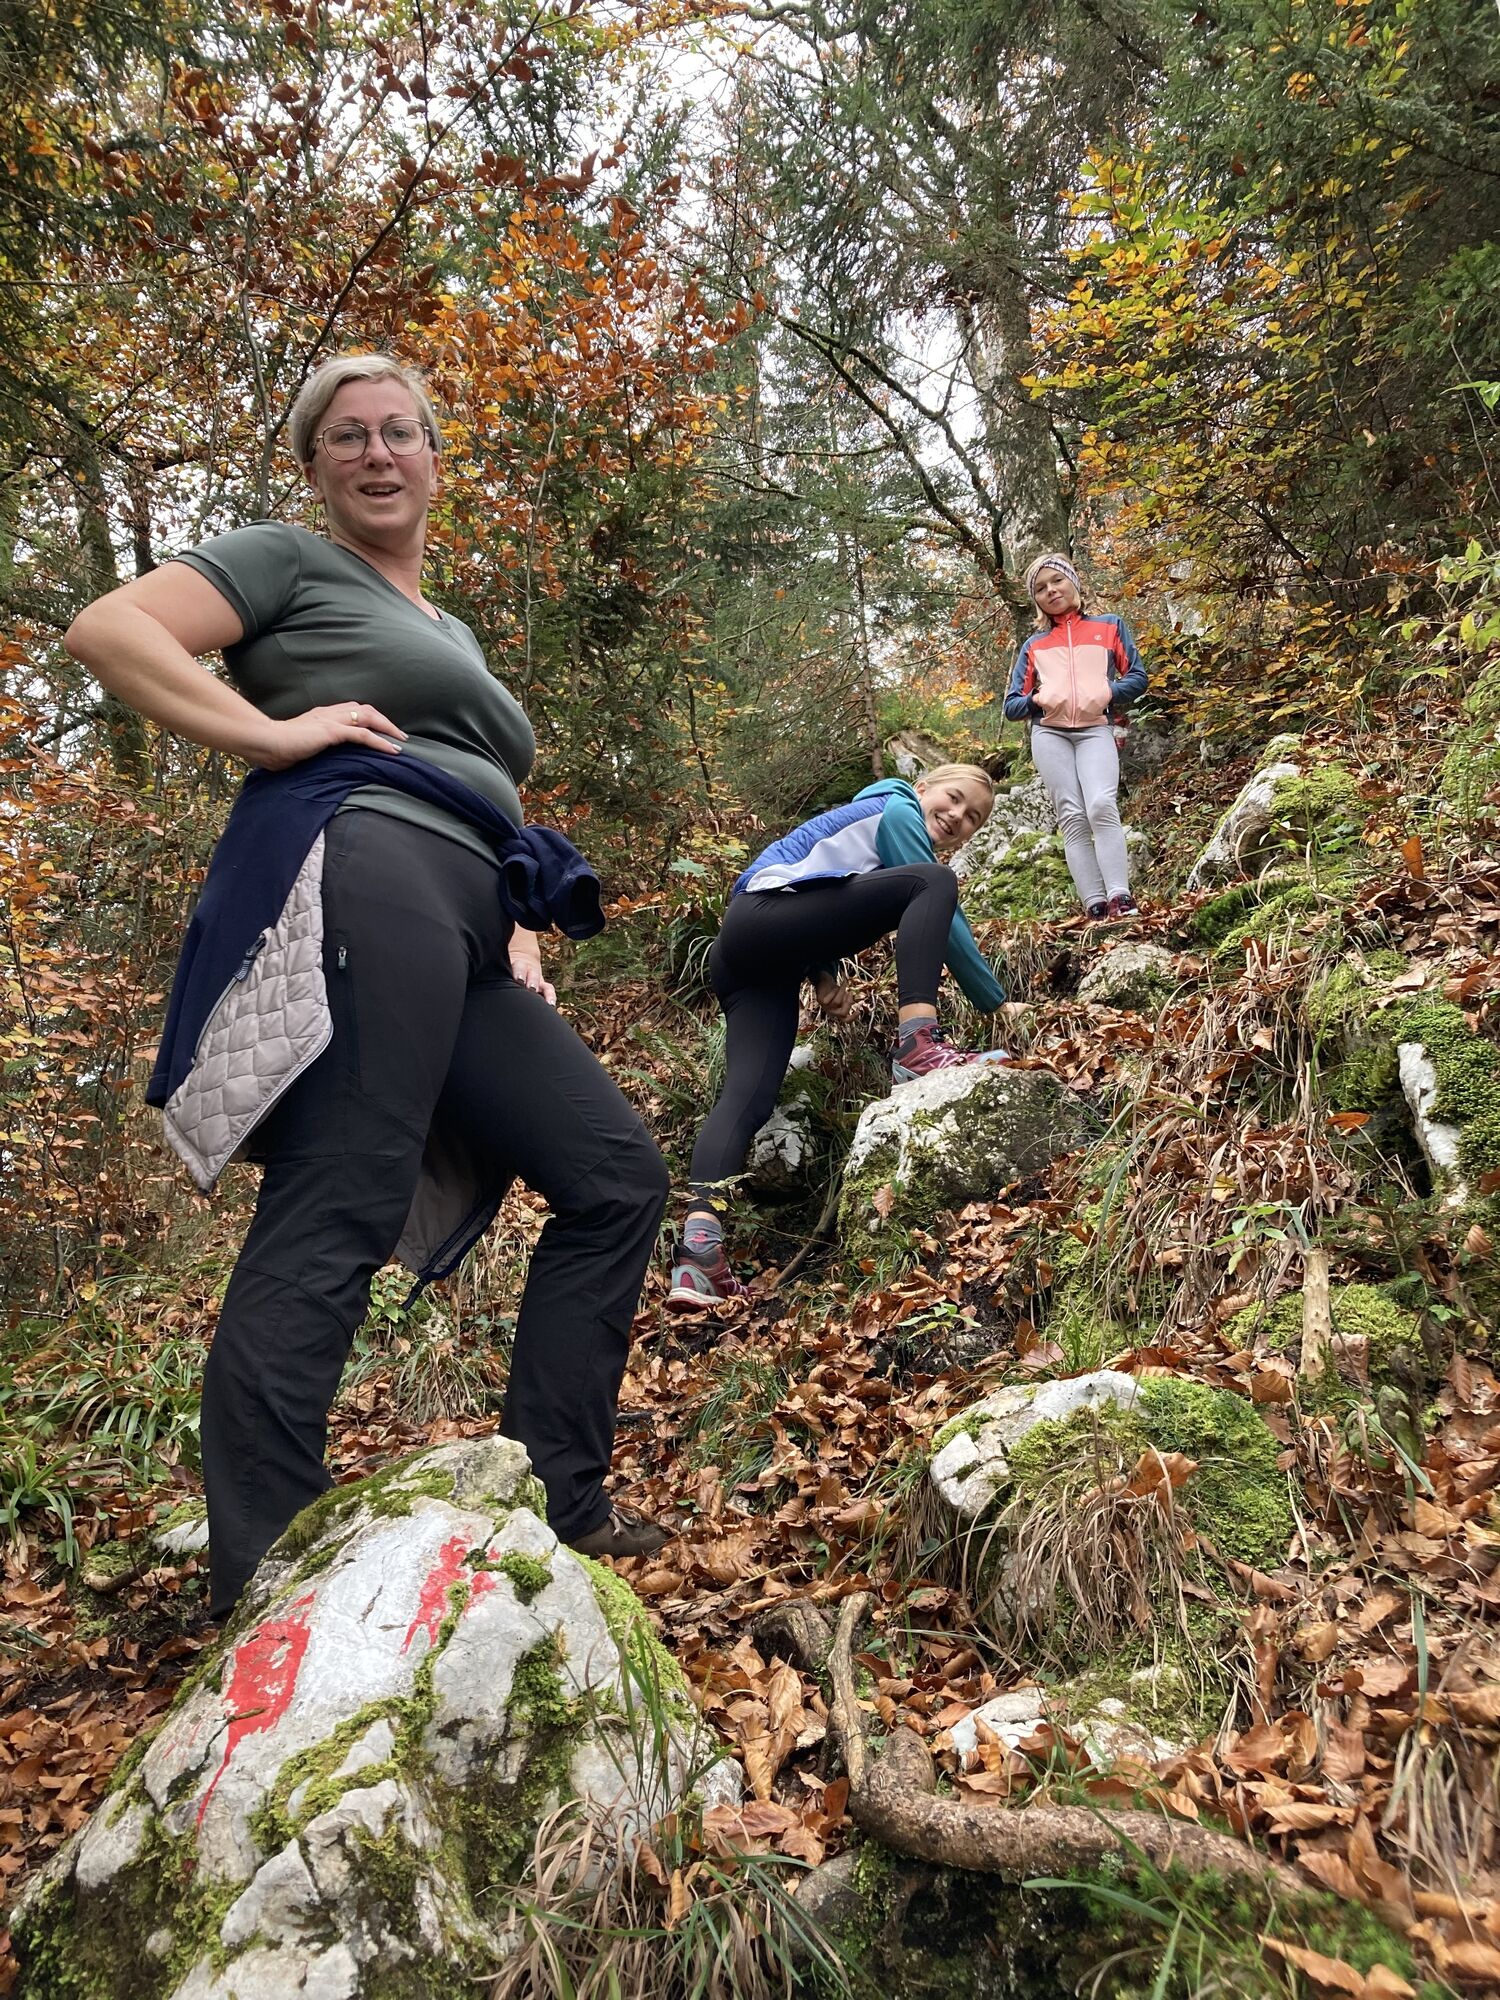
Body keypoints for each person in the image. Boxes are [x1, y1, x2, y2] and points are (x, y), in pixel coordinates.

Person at [64, 352, 673, 1618]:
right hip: (366, 864)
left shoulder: (450, 630)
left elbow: (485, 778)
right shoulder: (287, 561)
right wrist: (271, 733)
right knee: (344, 1189)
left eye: (401, 431)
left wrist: (521, 926)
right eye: (348, 436)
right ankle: (266, 1575)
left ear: (436, 459)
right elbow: (109, 630)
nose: (379, 452)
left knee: (614, 1173)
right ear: (314, 465)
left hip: (472, 916)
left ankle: (558, 1501)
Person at [666, 767, 1007, 1306]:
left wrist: (823, 975)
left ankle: (699, 1254)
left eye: (973, 818)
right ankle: (918, 1043)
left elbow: (812, 885)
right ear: (923, 787)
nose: (957, 817)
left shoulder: (870, 826)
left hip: (753, 956)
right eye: (954, 798)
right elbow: (936, 904)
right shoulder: (897, 809)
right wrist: (995, 1001)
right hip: (760, 916)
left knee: (747, 1099)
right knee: (935, 882)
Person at [1002, 553, 1148, 920]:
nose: (1051, 591)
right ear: (1036, 600)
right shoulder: (1034, 645)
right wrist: (1037, 699)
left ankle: (1120, 896)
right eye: (1040, 588)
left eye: (1057, 581)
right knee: (1071, 814)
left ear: (1074, 583)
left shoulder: (1109, 627)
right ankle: (1095, 904)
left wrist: (1108, 692)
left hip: (1095, 729)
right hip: (1049, 735)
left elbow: (1138, 677)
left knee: (1101, 804)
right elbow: (1012, 706)